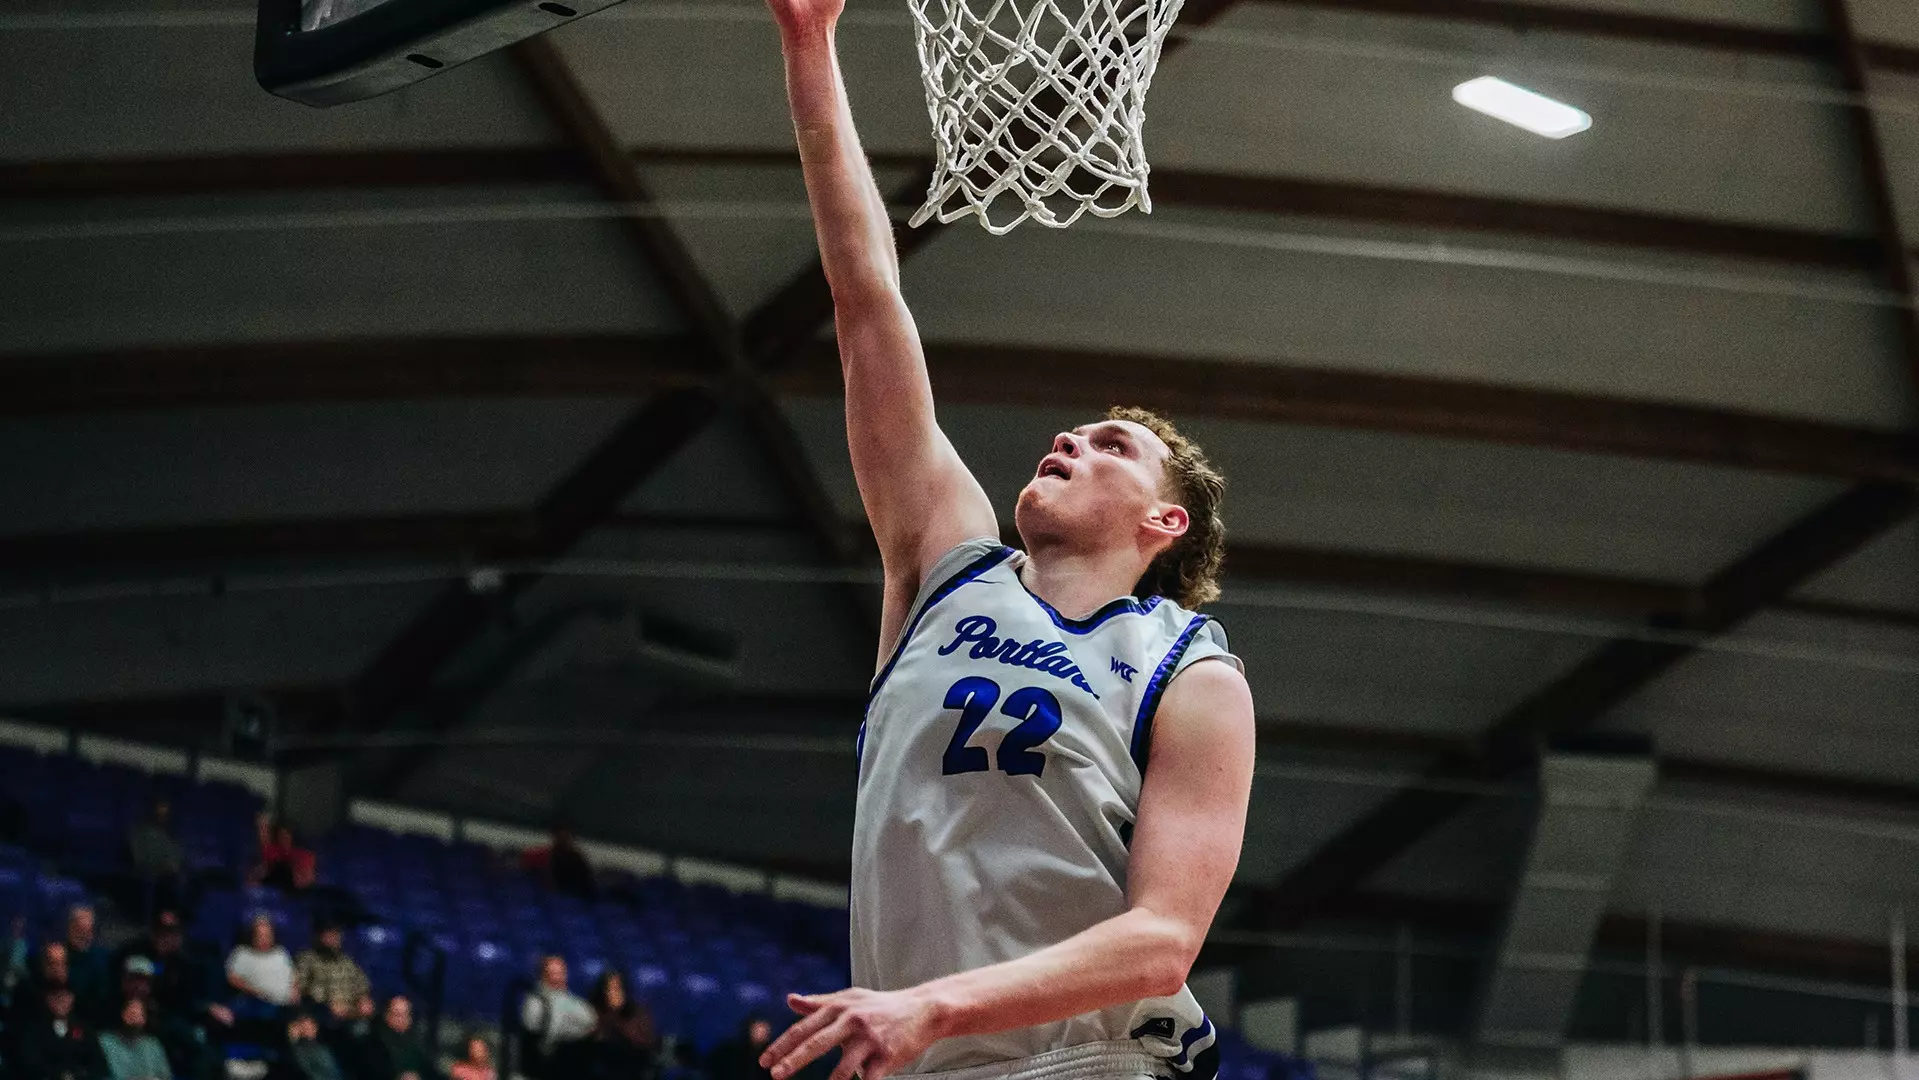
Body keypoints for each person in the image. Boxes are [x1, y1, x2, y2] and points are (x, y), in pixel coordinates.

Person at [751, 11, 1259, 1080]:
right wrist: (807, 41)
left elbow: (1161, 941)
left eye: (1111, 445)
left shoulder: (1187, 667)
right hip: (921, 1054)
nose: (1069, 436)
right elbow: (864, 303)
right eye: (1071, 430)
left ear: (1162, 523)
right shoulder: (947, 567)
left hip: (1089, 1064)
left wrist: (931, 1005)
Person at [552, 971, 657, 1080]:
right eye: (607, 989)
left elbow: (644, 1045)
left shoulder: (637, 1015)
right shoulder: (590, 1012)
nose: (611, 994)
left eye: (616, 989)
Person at [518, 954, 596, 1073]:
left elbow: (589, 1019)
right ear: (542, 976)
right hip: (543, 1063)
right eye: (551, 973)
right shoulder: (533, 1001)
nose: (557, 978)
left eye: (560, 973)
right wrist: (571, 1027)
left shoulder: (573, 1001)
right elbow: (533, 1024)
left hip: (572, 1060)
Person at [293, 917, 372, 1028]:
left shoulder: (347, 962)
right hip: (322, 1013)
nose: (333, 939)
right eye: (329, 934)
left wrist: (364, 1000)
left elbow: (362, 986)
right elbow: (298, 990)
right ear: (319, 936)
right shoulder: (307, 959)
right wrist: (328, 1005)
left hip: (351, 1012)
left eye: (336, 934)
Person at [14, 984, 103, 1080]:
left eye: (65, 996)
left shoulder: (84, 1028)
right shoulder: (34, 1029)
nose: (61, 1001)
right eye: (55, 996)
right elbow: (31, 1063)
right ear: (47, 999)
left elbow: (97, 1062)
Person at [348, 994, 435, 1080]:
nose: (402, 1019)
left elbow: (429, 1068)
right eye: (397, 1014)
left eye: (406, 1014)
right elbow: (371, 1072)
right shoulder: (373, 1042)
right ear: (387, 1015)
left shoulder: (417, 1039)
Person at [227, 914, 298, 1014]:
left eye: (268, 935)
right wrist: (257, 992)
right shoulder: (242, 953)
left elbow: (293, 976)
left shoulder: (281, 953)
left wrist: (295, 992)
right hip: (257, 1002)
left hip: (286, 1004)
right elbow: (233, 979)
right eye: (260, 935)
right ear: (252, 936)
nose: (265, 939)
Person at [96, 996, 171, 1080]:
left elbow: (165, 1076)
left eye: (139, 1014)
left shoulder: (153, 1044)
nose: (135, 1018)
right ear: (122, 1014)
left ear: (144, 1019)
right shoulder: (105, 1041)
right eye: (132, 1012)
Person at [66, 905, 114, 1023]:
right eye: (78, 929)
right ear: (69, 929)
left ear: (92, 933)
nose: (82, 936)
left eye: (86, 931)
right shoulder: (59, 955)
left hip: (92, 1019)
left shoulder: (102, 958)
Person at [519, 825, 594, 900]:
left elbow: (585, 882)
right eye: (561, 837)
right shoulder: (541, 855)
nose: (564, 841)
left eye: (566, 838)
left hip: (568, 895)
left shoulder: (577, 858)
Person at [269, 1011, 345, 1080]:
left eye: (310, 1025)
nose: (309, 1029)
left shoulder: (329, 1038)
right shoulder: (301, 1051)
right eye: (304, 1027)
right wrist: (293, 1040)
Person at [253, 817, 317, 892]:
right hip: (279, 888)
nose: (284, 837)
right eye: (280, 835)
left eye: (286, 834)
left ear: (291, 836)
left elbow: (307, 879)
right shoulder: (273, 852)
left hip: (301, 892)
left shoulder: (305, 855)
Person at [707, 1016, 778, 1080]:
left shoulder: (771, 1054)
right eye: (758, 1029)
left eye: (765, 1029)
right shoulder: (733, 1051)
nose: (762, 1033)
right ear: (750, 1029)